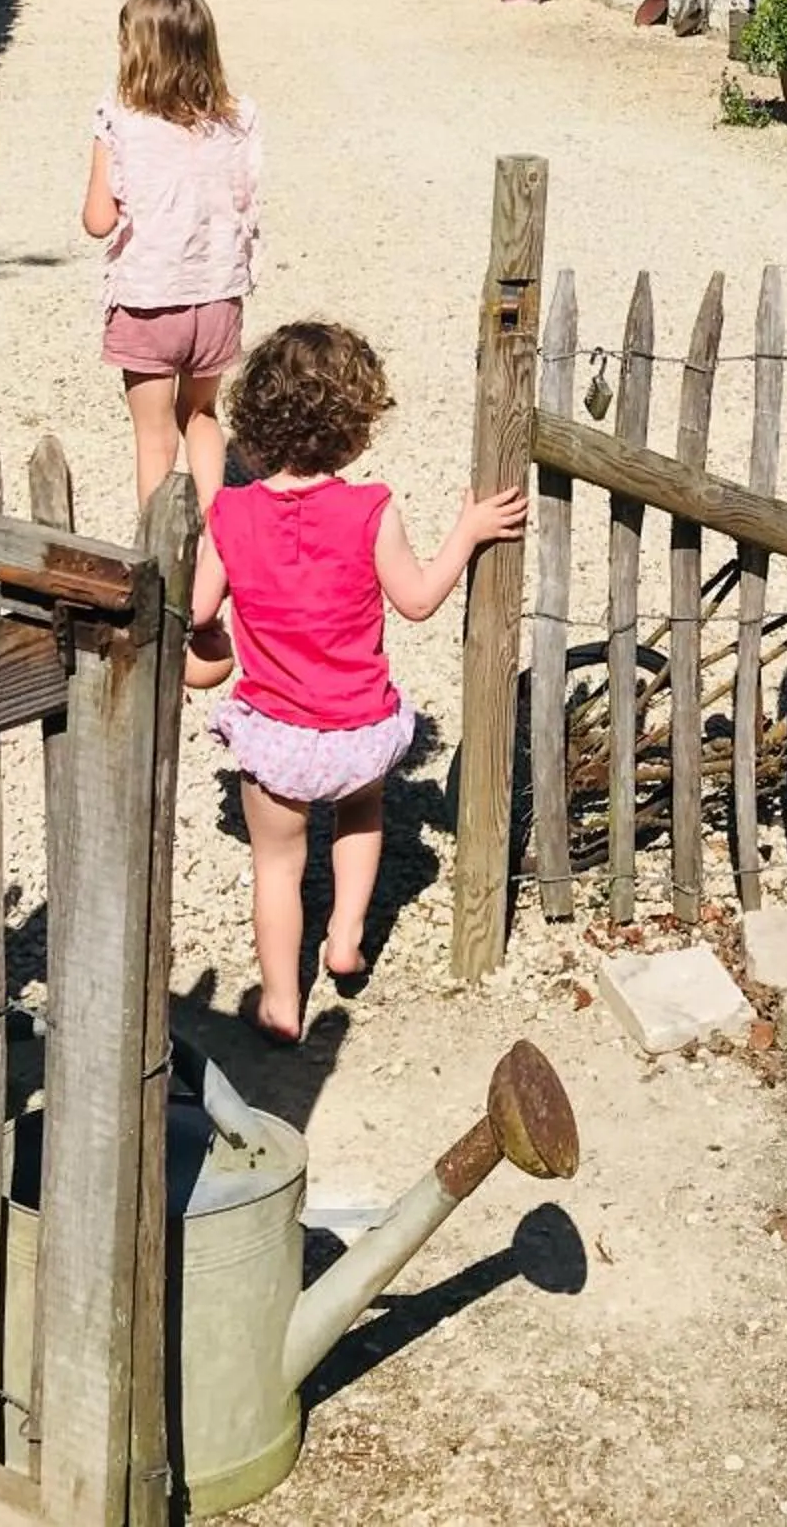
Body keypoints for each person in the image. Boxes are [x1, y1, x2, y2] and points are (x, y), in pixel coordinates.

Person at [186, 319, 524, 1039]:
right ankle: (344, 938)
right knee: (362, 813)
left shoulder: (231, 514)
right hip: (357, 729)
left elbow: (197, 610)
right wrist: (467, 531)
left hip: (276, 733)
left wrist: (212, 636)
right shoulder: (370, 509)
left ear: (255, 421)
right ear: (355, 427)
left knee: (276, 867)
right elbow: (419, 599)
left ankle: (281, 1002)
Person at [81, 0, 262, 519]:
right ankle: (217, 541)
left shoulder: (118, 119)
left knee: (154, 436)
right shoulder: (238, 119)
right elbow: (247, 198)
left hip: (148, 298)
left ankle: (159, 555)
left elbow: (99, 220)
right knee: (201, 414)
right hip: (217, 296)